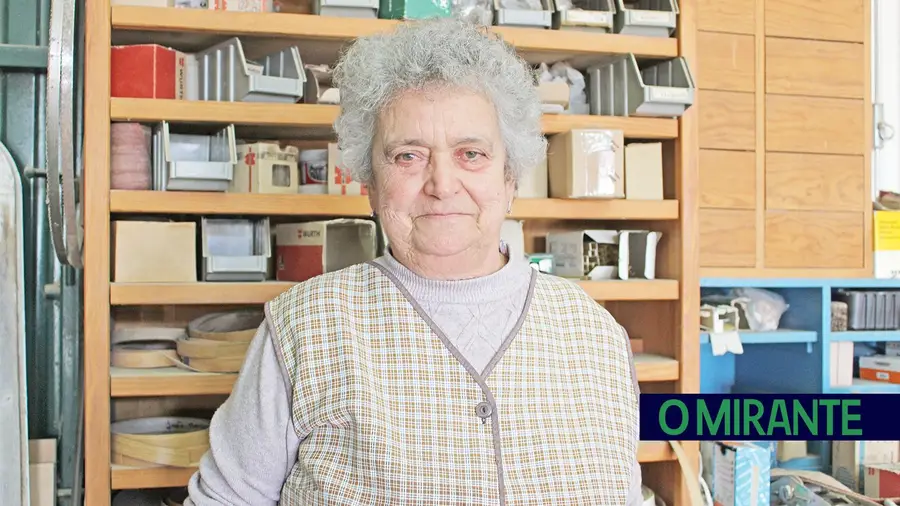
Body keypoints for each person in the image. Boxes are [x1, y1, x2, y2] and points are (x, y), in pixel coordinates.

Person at [186, 17, 641, 505]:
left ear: (510, 178)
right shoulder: (305, 326)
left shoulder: (596, 334)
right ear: (370, 185)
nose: (442, 184)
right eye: (408, 156)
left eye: (471, 154)